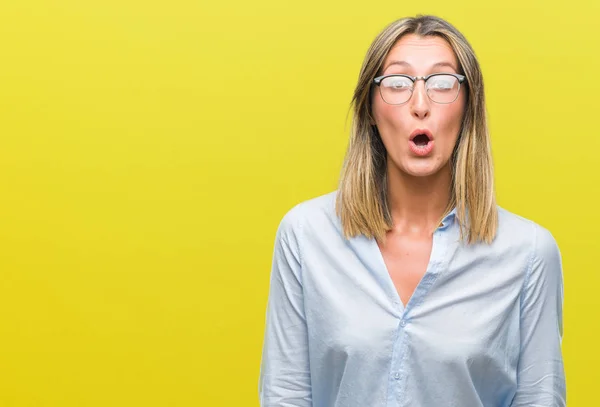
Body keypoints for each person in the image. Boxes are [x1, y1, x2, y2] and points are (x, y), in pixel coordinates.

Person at [258, 14, 565, 407]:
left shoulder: (529, 254)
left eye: (442, 84)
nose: (420, 105)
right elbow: (285, 396)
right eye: (398, 84)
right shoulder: (304, 236)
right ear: (370, 109)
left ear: (468, 107)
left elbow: (540, 398)